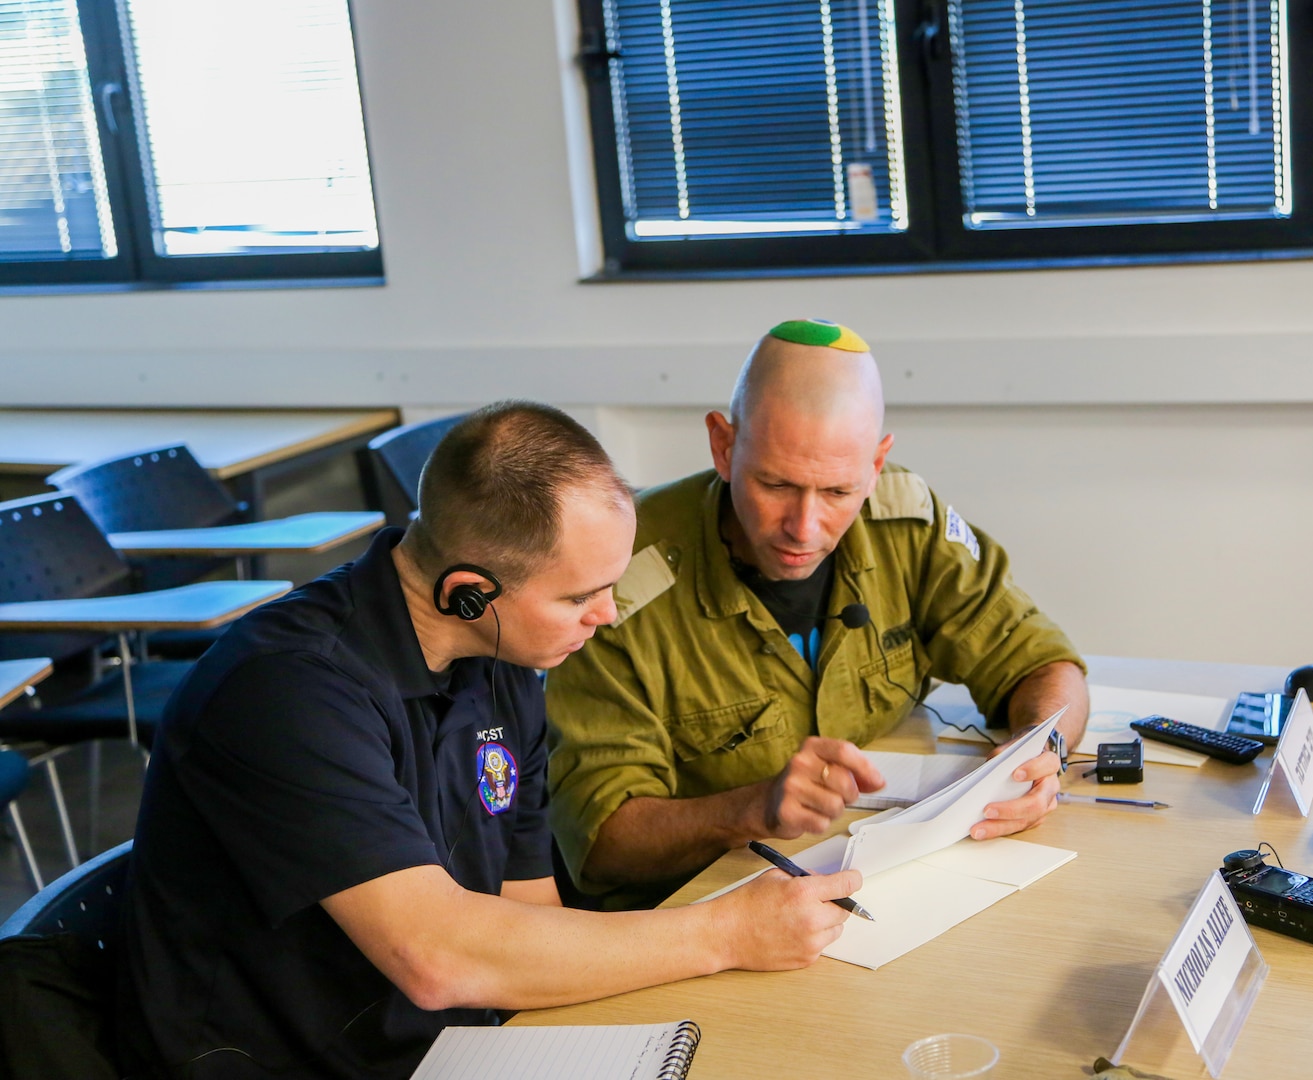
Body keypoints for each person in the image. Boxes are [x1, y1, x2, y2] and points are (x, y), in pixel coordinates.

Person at [114, 402, 862, 1080]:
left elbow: (529, 911)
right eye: (579, 596)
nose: (608, 615)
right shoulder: (287, 691)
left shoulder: (502, 658)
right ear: (466, 590)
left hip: (454, 1046)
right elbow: (437, 957)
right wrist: (725, 933)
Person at [546, 320, 1089, 911]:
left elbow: (1040, 663)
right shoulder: (618, 574)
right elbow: (600, 845)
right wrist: (752, 808)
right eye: (775, 484)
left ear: (877, 464)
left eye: (836, 493)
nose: (804, 529)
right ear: (724, 446)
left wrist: (1044, 752)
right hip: (694, 911)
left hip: (872, 876)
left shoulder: (905, 521)